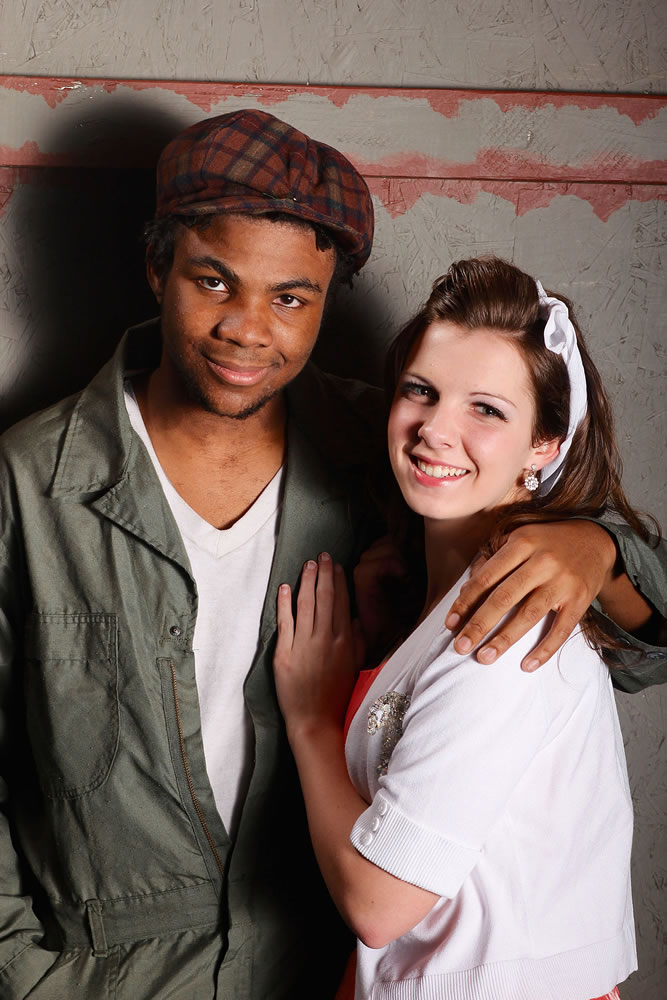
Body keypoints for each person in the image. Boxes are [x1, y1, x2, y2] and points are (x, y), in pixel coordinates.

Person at [0, 112, 664, 1000]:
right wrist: (25, 970)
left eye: (290, 298)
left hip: (322, 960)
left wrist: (592, 545)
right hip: (109, 975)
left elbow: (641, 643)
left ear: (325, 302)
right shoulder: (29, 480)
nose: (247, 329)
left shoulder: (381, 453)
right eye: (213, 281)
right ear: (157, 268)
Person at [272, 257, 665, 1000]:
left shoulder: (504, 629)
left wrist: (309, 719)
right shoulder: (437, 597)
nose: (433, 431)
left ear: (546, 445)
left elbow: (380, 905)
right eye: (421, 391)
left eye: (485, 409)